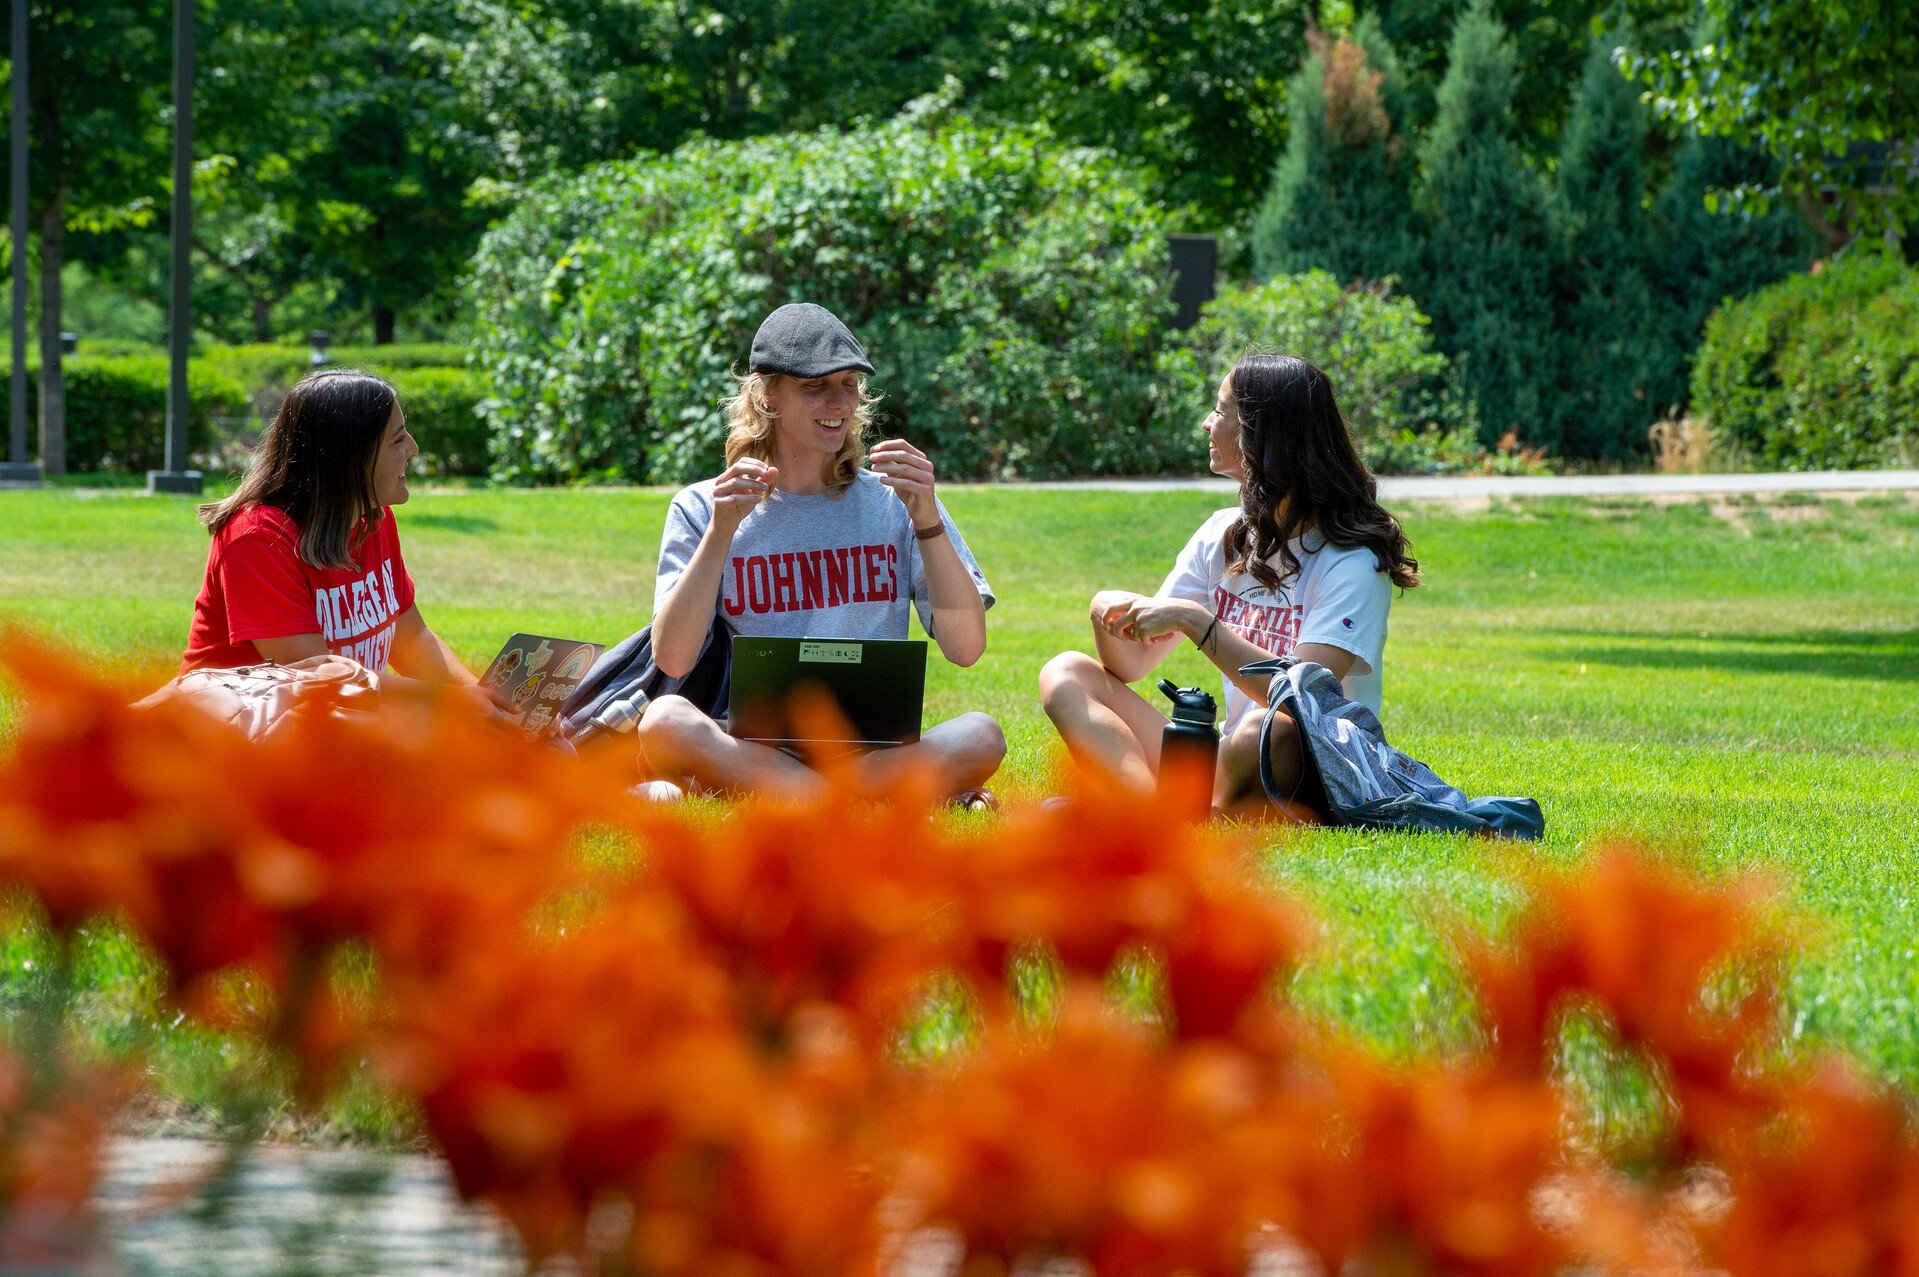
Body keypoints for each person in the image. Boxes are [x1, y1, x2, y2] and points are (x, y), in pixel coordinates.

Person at [635, 303, 1005, 802]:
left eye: (848, 384)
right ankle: (863, 797)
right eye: (815, 387)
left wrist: (928, 521)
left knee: (983, 735)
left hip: (873, 748)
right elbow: (673, 659)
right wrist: (722, 534)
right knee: (663, 721)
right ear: (767, 395)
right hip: (757, 746)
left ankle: (801, 795)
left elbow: (966, 649)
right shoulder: (706, 506)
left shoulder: (897, 500)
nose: (839, 403)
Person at [1038, 352, 1420, 813]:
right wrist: (1107, 613)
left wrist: (1196, 622)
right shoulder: (1224, 533)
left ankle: (1177, 817)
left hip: (1314, 767)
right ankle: (1151, 818)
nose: (1206, 423)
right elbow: (1131, 665)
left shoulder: (1353, 562)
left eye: (1220, 411)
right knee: (1066, 674)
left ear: (1264, 435)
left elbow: (1302, 699)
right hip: (1232, 761)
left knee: (1270, 726)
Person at [182, 369, 494, 705]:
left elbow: (412, 639)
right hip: (236, 737)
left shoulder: (373, 518)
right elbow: (314, 681)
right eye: (397, 439)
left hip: (335, 724)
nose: (413, 449)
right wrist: (456, 706)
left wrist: (486, 703)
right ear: (349, 457)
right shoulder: (258, 538)